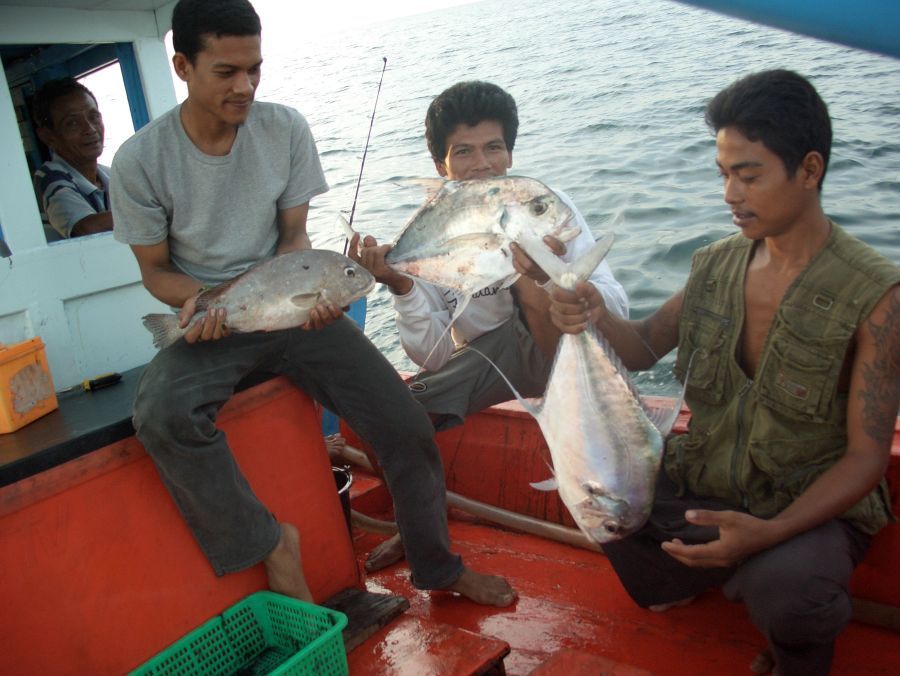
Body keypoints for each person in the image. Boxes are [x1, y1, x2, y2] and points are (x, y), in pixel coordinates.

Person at [110, 0, 515, 608]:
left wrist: (315, 300)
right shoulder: (140, 161)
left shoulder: (285, 129)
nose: (245, 86)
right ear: (183, 66)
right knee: (162, 416)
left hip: (294, 311)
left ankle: (437, 567)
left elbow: (294, 239)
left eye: (255, 69)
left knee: (406, 427)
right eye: (226, 72)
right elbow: (155, 270)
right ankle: (271, 544)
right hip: (214, 320)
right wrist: (200, 304)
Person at [548, 69, 899, 675]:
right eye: (723, 175)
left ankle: (791, 645)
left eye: (749, 175)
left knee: (792, 593)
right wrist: (594, 312)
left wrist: (769, 533)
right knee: (603, 498)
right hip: (708, 481)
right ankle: (694, 575)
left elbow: (866, 460)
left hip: (802, 506)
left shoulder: (877, 296)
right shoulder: (714, 264)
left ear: (810, 169)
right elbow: (639, 351)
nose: (730, 195)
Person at [348, 80, 629, 571]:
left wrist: (553, 280)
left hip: (565, 351)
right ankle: (417, 523)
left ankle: (617, 505)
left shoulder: (543, 204)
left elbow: (617, 311)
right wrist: (401, 284)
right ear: (442, 167)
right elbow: (432, 357)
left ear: (511, 153)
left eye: (493, 148)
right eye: (464, 152)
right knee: (392, 419)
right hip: (488, 361)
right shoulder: (431, 227)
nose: (482, 164)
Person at [33, 77, 113, 239]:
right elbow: (86, 228)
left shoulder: (112, 175)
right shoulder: (50, 177)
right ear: (49, 137)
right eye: (72, 123)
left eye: (94, 117)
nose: (90, 129)